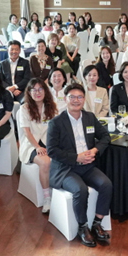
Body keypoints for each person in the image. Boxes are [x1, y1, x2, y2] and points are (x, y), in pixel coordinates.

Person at [47, 83, 113, 247]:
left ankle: (97, 223)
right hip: (65, 168)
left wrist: (94, 151)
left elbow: (105, 137)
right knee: (80, 190)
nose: (76, 100)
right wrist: (77, 157)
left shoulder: (89, 117)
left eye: (80, 97)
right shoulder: (56, 122)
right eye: (72, 97)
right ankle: (83, 227)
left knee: (106, 185)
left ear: (84, 99)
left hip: (87, 166)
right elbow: (52, 151)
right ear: (65, 99)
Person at [20, 78, 59, 214]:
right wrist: (37, 147)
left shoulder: (52, 106)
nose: (37, 92)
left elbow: (56, 129)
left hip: (49, 142)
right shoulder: (24, 108)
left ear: (45, 91)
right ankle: (47, 198)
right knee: (45, 162)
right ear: (29, 92)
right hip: (32, 144)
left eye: (40, 89)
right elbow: (27, 132)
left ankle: (58, 192)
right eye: (34, 90)